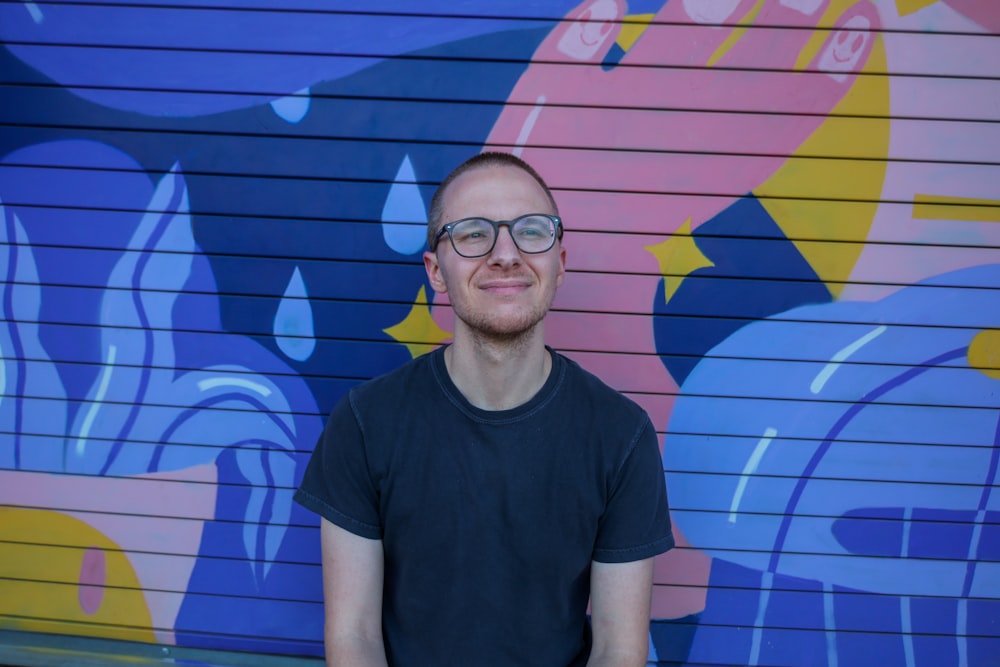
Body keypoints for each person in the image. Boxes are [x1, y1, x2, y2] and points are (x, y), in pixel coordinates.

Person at [294, 151, 673, 666]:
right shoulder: (365, 423)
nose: (506, 254)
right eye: (473, 233)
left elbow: (617, 651)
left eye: (532, 231)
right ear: (436, 271)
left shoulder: (620, 436)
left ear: (559, 263)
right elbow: (354, 638)